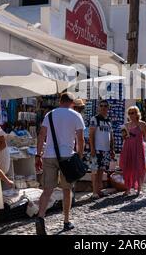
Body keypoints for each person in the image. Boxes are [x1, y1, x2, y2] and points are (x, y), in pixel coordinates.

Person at [35, 92, 85, 235]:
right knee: (66, 190)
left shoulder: (49, 115)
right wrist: (79, 156)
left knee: (47, 190)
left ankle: (40, 218)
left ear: (60, 101)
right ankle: (66, 221)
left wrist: (38, 155)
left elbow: (41, 136)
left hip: (49, 155)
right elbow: (80, 140)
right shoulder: (76, 116)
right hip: (67, 157)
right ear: (72, 103)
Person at [119, 106, 146, 196]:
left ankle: (139, 188)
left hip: (138, 148)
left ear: (137, 113)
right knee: (128, 168)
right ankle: (128, 188)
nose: (132, 115)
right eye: (130, 113)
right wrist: (125, 135)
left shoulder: (142, 124)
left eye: (133, 113)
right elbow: (123, 138)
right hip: (128, 147)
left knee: (139, 167)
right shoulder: (126, 125)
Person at [89, 100, 115, 199]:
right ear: (99, 107)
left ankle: (99, 190)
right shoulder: (94, 119)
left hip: (106, 150)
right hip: (97, 149)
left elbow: (111, 136)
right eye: (101, 106)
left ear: (108, 108)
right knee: (94, 170)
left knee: (101, 170)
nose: (103, 107)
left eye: (105, 106)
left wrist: (112, 149)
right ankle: (94, 192)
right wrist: (92, 148)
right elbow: (91, 135)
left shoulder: (108, 121)